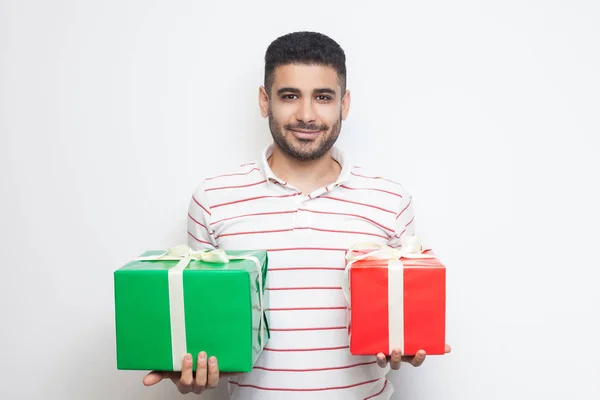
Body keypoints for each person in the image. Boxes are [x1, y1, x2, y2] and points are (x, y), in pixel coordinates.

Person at [143, 31, 451, 399]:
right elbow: (204, 332)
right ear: (264, 100)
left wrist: (407, 340)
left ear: (345, 104)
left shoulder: (390, 200)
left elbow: (401, 319)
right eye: (290, 96)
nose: (306, 115)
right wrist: (189, 370)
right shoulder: (212, 199)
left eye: (323, 97)